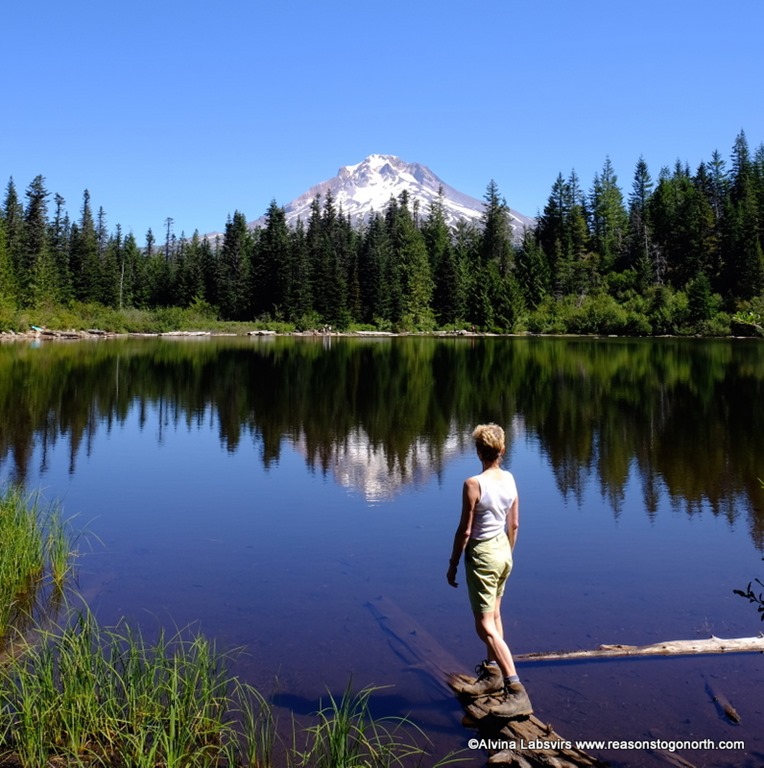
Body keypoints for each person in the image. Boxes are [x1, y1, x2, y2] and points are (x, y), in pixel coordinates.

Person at [447, 423, 532, 717]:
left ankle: (516, 689)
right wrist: (508, 552)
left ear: (478, 451)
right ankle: (493, 674)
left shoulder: (473, 484)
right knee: (495, 616)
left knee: (484, 626)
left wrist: (453, 563)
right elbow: (515, 524)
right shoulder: (509, 479)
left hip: (483, 555)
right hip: (503, 551)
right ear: (502, 450)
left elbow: (465, 530)